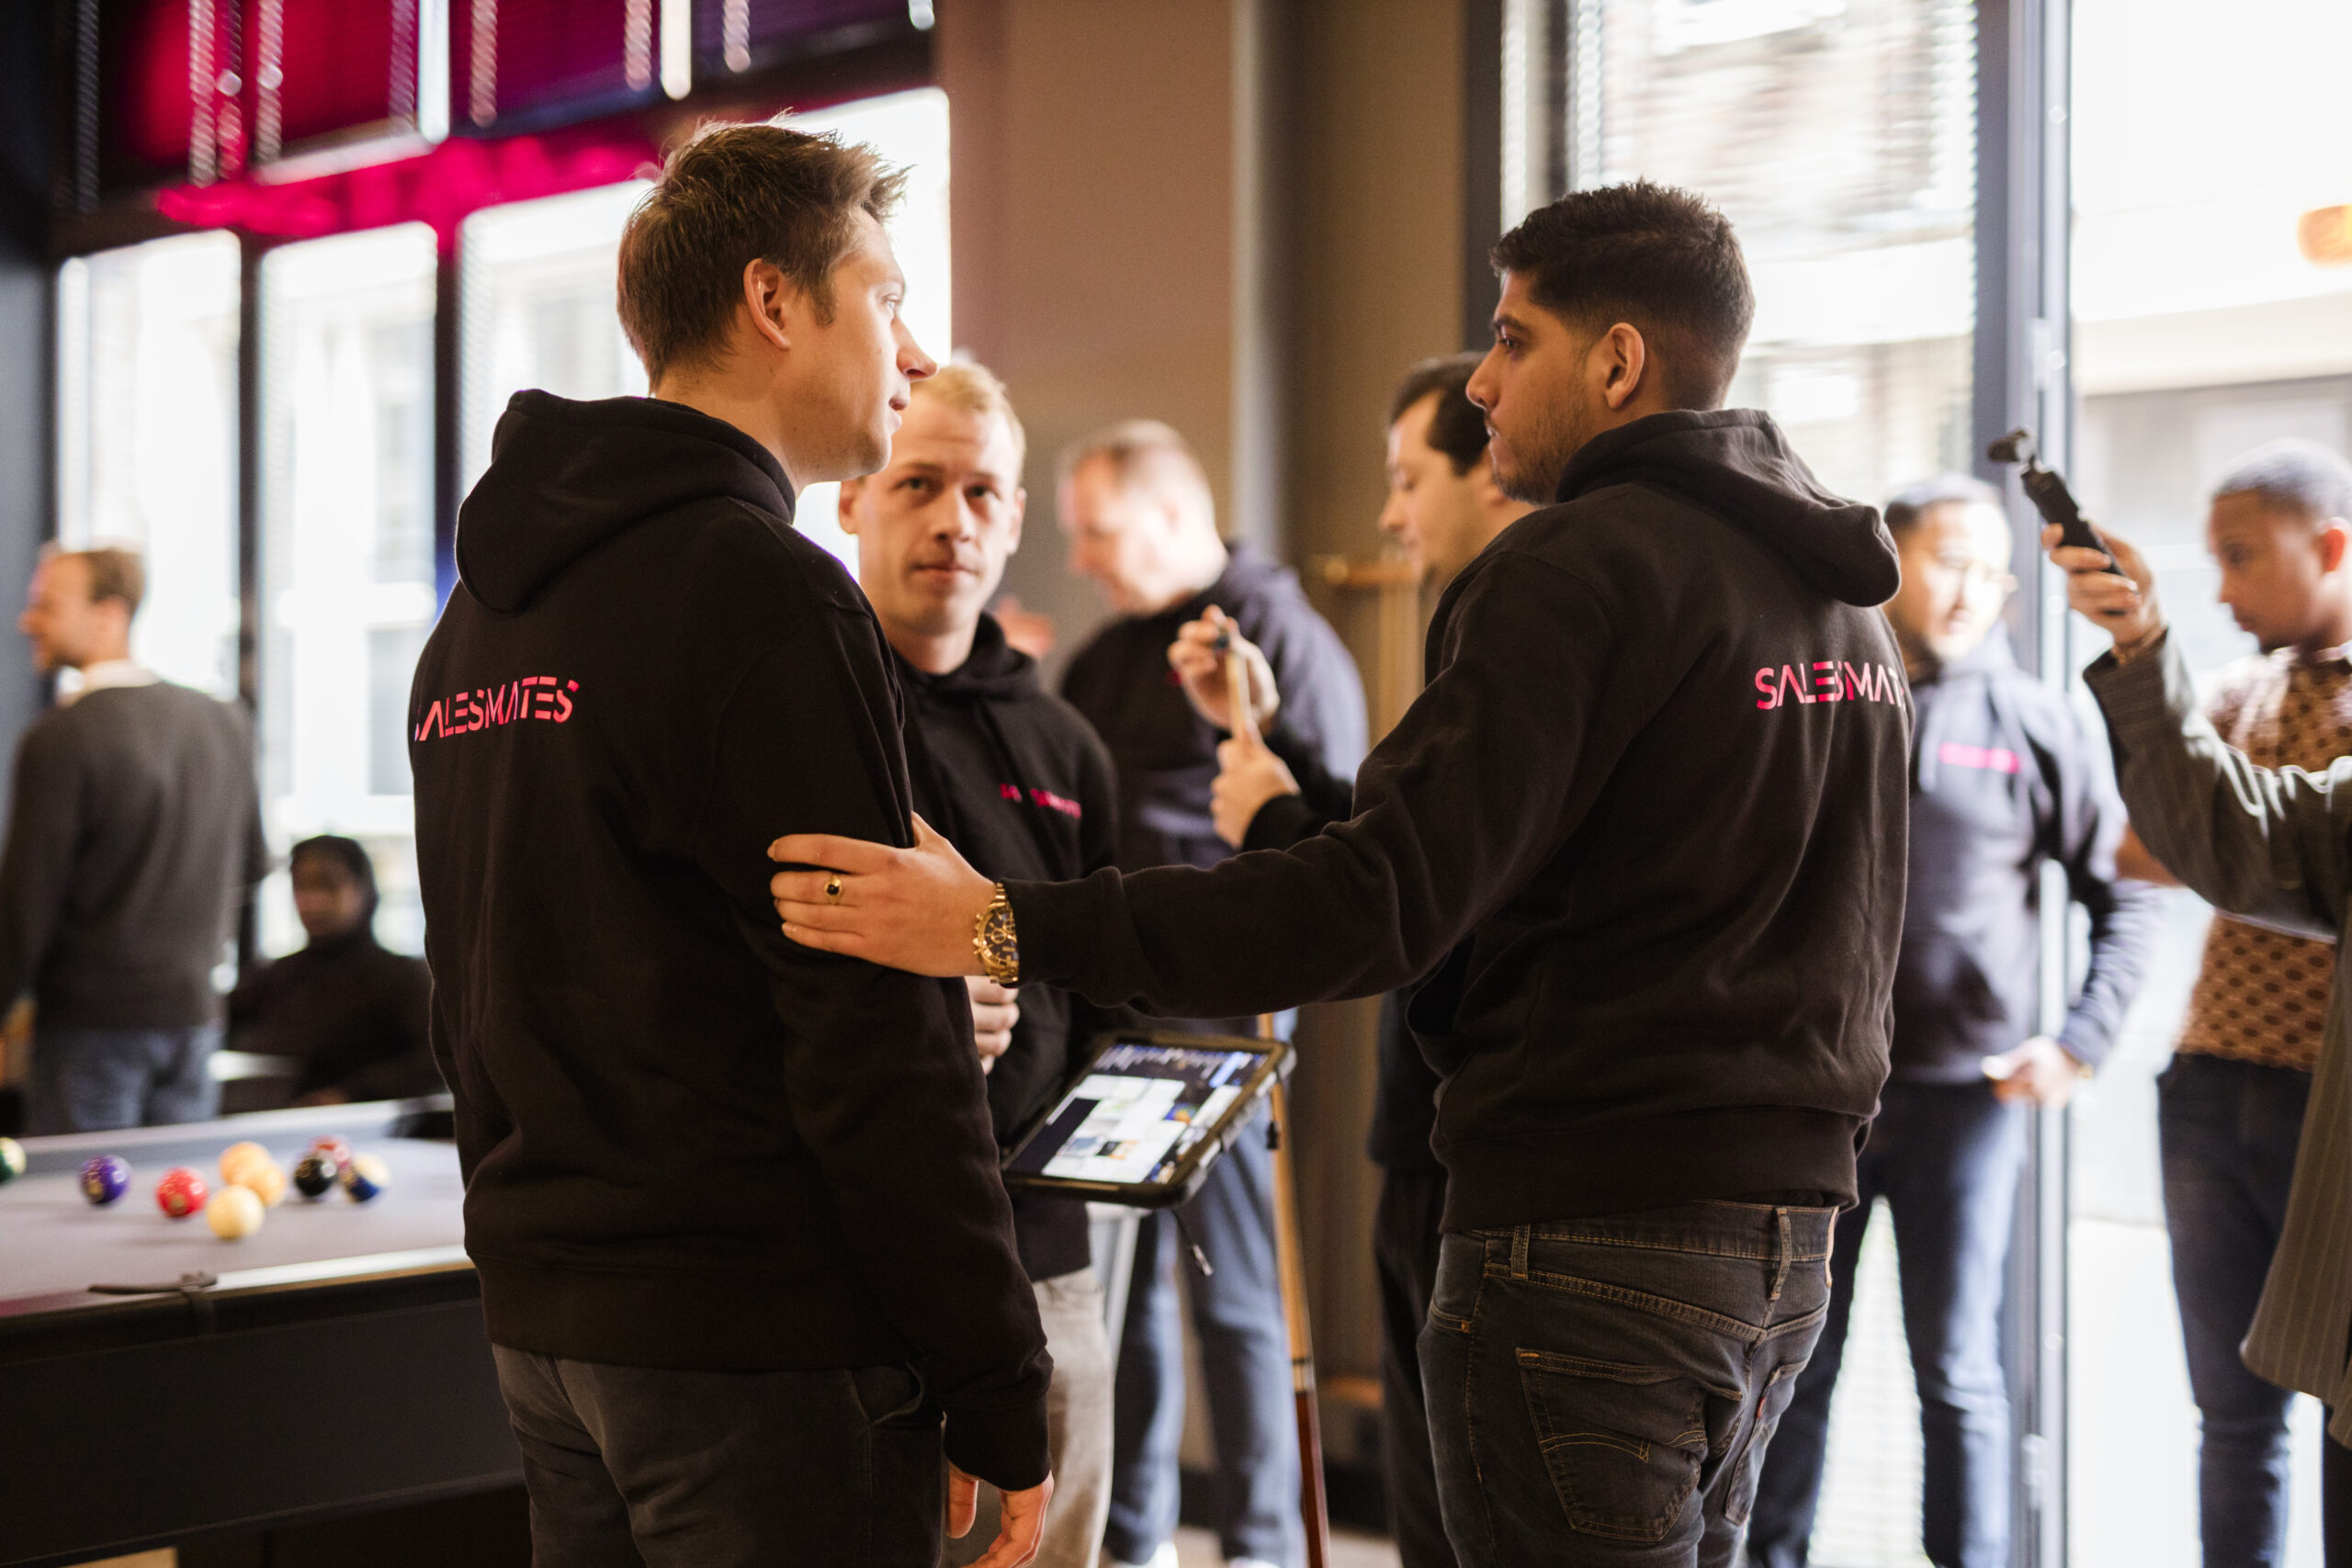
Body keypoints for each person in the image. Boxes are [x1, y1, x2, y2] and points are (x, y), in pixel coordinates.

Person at [768, 179, 1915, 1568]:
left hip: (1589, 1235)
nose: (1480, 383)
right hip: (1784, 1241)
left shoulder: (1574, 569)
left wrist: (999, 926)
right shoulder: (1845, 608)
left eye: (1514, 340)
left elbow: (1376, 899)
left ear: (1618, 362)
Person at [408, 124, 1050, 1568]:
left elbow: (478, 989)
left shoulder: (479, 618)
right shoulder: (767, 593)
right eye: (885, 298)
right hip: (761, 1336)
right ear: (774, 301)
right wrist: (997, 1368)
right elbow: (868, 1028)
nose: (912, 352)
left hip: (551, 1325)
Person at [1743, 476, 2162, 1568]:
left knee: (1957, 1370)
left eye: (1992, 573)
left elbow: (2129, 898)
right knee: (1791, 1365)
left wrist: (2076, 1045)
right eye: (1950, 562)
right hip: (1817, 1103)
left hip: (1964, 1108)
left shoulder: (2035, 720)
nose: (1974, 590)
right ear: (1889, 561)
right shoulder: (1821, 699)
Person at [1165, 352, 1532, 1568]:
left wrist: (1275, 814)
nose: (1388, 513)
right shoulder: (1480, 631)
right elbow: (1413, 847)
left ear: (1491, 470)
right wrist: (1276, 764)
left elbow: (1412, 901)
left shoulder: (1525, 636)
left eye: (1406, 478)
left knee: (1458, 1513)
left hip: (1475, 1152)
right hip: (1427, 1137)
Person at [1055, 419, 1366, 1568]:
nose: (1082, 558)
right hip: (1110, 1017)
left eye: (1099, 533)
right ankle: (1134, 1539)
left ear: (1175, 515)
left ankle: (1259, 1548)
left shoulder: (1276, 637)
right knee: (1126, 1299)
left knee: (1234, 1299)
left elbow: (1331, 842)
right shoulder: (1101, 659)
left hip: (1226, 1024)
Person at [2041, 449, 2352, 1568]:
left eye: (2240, 557)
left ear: (2329, 547)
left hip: (2325, 1104)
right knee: (2230, 1415)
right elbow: (2149, 845)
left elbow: (2197, 842)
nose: (2220, 589)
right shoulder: (2232, 689)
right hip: (2212, 1080)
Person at [832, 358, 1120, 1568]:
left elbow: (1104, 990)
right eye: (919, 484)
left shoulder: (1064, 741)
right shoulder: (812, 710)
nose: (953, 519)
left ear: (1013, 520)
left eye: (982, 492)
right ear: (854, 496)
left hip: (1047, 1256)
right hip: (858, 1267)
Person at [0, 546, 266, 1134]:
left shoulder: (60, 738)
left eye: (47, 605)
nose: (27, 621)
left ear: (109, 615)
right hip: (195, 1020)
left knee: (81, 1192)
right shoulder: (224, 721)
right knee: (170, 1189)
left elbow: (24, 908)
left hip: (89, 1031)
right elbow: (253, 863)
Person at [226, 835, 440, 1107]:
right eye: (301, 886)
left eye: (328, 885)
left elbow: (433, 1061)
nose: (313, 901)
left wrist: (350, 1094)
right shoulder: (279, 975)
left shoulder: (401, 976)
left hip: (364, 1124)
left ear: (362, 888)